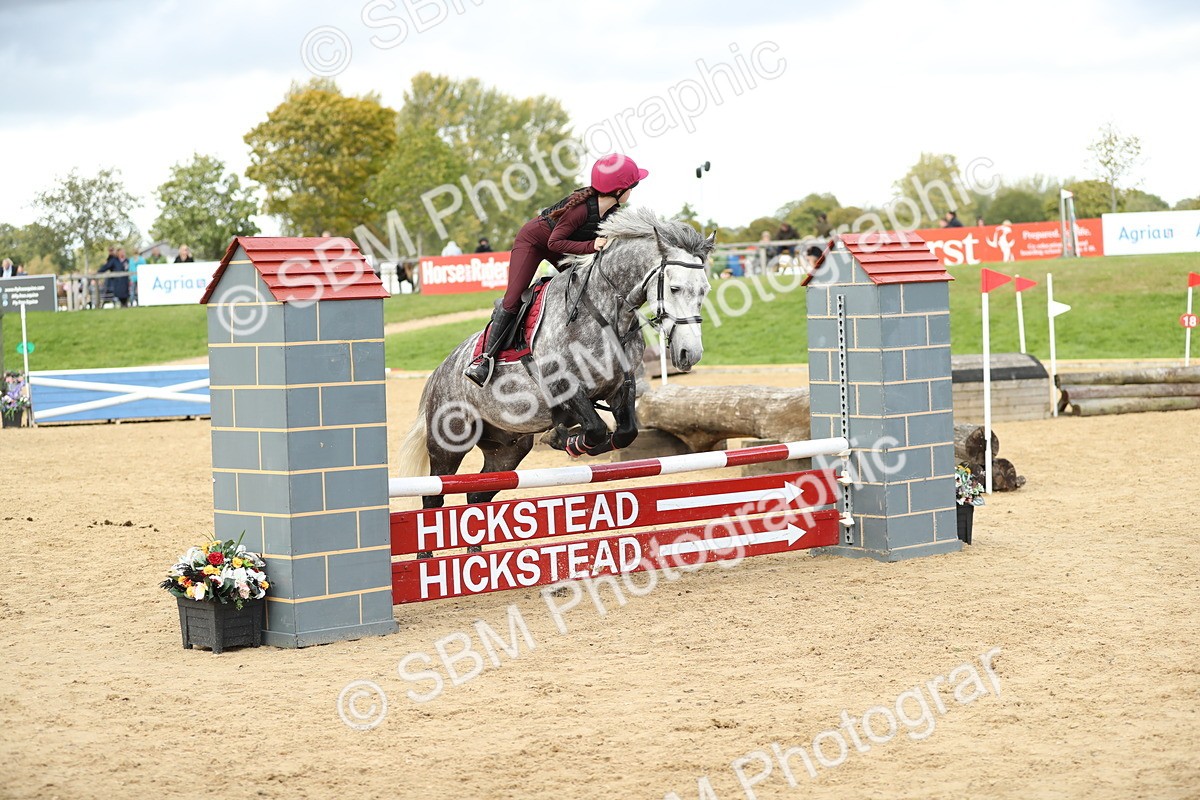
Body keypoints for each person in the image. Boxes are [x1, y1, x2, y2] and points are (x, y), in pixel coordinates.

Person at [463, 152, 649, 387]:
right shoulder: (580, 210)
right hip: (534, 242)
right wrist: (592, 245)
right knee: (513, 299)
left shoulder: (611, 212)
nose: (633, 190)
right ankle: (484, 359)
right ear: (618, 190)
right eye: (632, 185)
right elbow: (554, 243)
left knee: (585, 286)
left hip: (561, 244)